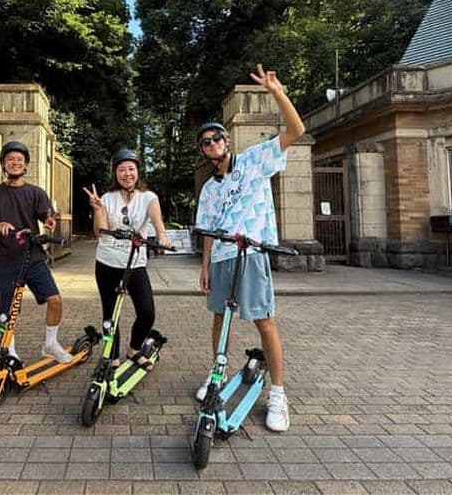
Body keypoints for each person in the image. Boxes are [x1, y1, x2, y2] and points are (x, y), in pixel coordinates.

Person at [195, 64, 306, 432]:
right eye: (206, 142)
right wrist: (205, 265)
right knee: (219, 319)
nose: (212, 144)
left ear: (227, 140)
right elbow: (207, 230)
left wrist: (276, 92)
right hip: (223, 257)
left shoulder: (256, 160)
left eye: (216, 138)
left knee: (264, 320)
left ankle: (278, 394)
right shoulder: (209, 189)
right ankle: (216, 376)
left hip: (252, 253)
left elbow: (296, 130)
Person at [0, 140, 72, 363]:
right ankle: (9, 351)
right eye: (10, 159)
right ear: (3, 163)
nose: (15, 163)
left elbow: (45, 216)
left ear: (26, 165)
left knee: (55, 299)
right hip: (5, 260)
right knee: (7, 311)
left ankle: (50, 344)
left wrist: (49, 221)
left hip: (33, 258)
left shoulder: (35, 193)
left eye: (19, 160)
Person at [83, 149, 171, 371]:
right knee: (110, 314)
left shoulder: (148, 197)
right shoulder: (106, 198)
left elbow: (156, 219)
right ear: (115, 173)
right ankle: (112, 355)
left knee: (147, 312)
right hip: (107, 263)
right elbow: (101, 233)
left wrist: (162, 234)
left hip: (134, 264)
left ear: (138, 171)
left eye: (131, 169)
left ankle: (134, 348)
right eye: (122, 170)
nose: (127, 174)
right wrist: (97, 209)